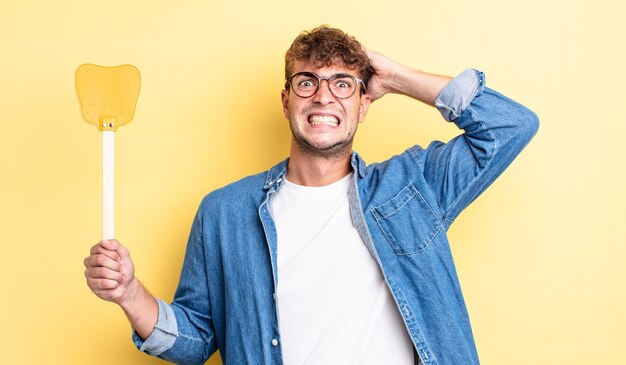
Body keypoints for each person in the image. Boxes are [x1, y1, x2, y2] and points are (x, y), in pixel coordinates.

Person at [84, 25, 539, 365]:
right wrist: (129, 293)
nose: (324, 97)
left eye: (343, 84)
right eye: (308, 82)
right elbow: (197, 340)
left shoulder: (413, 188)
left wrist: (397, 77)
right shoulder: (224, 213)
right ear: (287, 101)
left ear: (364, 104)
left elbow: (511, 126)